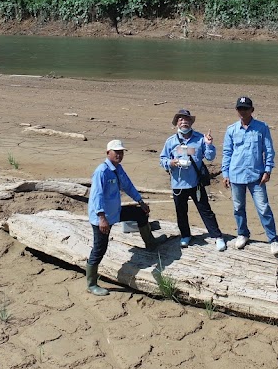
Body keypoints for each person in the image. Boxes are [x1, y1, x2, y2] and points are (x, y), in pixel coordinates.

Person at [86, 139, 165, 296]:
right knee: (99, 248)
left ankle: (150, 243)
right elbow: (97, 196)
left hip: (115, 211)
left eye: (121, 152)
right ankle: (91, 284)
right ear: (108, 153)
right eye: (116, 152)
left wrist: (140, 202)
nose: (119, 155)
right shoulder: (102, 171)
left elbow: (128, 185)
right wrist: (101, 218)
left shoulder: (118, 168)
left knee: (139, 213)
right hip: (103, 216)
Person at [221, 96, 278, 256]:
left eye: (246, 108)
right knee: (238, 207)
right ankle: (243, 234)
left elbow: (268, 150)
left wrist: (268, 170)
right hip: (235, 176)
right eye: (240, 108)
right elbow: (227, 153)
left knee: (263, 208)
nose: (243, 111)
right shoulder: (231, 130)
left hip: (257, 177)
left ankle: (273, 239)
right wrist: (225, 173)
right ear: (237, 110)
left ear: (252, 110)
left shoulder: (262, 127)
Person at [160, 108, 227, 252]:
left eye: (186, 119)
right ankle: (185, 235)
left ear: (191, 122)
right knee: (181, 211)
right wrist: (170, 163)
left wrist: (209, 144)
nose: (184, 122)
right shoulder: (171, 141)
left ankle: (217, 236)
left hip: (196, 183)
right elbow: (163, 159)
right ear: (177, 123)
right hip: (178, 184)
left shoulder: (199, 139)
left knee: (205, 210)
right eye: (181, 119)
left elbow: (210, 157)